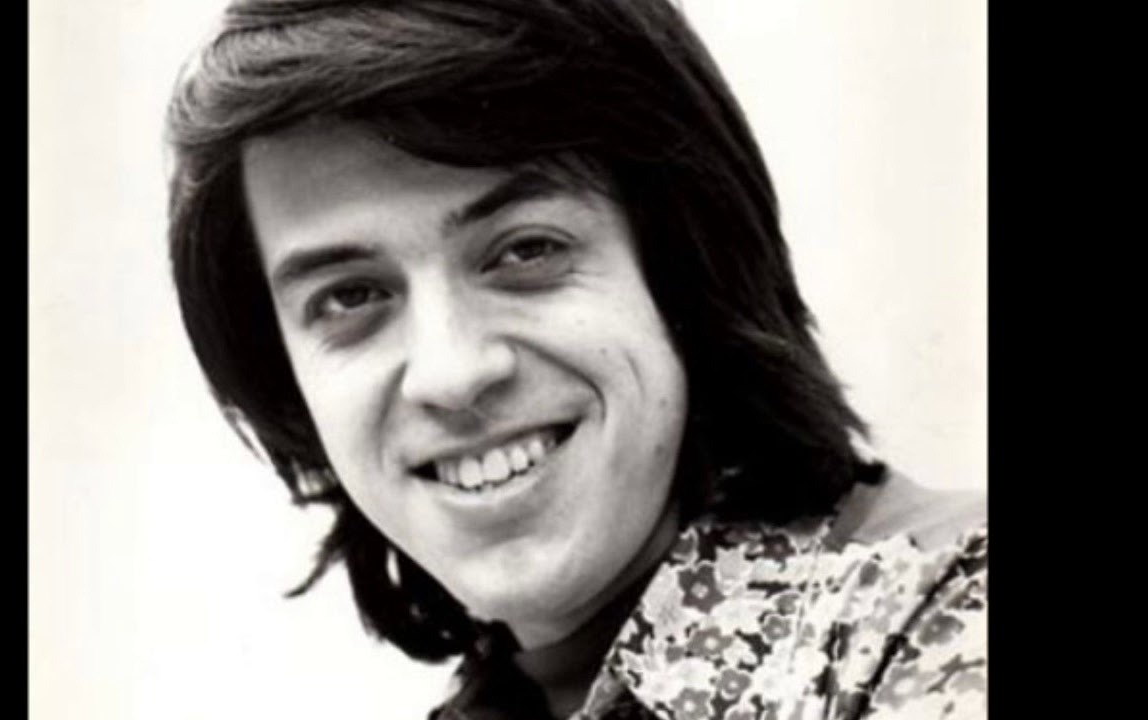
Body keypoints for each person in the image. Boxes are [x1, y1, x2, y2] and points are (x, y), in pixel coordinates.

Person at [164, 1, 987, 718]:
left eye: (525, 250)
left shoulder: (950, 615)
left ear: (684, 265)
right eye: (350, 297)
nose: (452, 373)